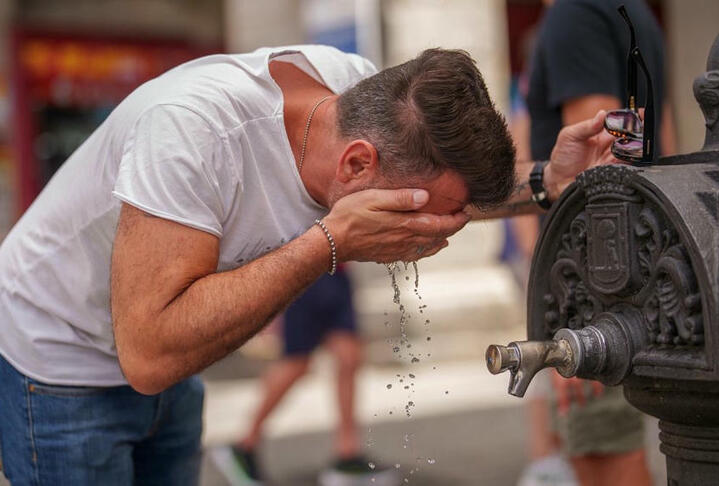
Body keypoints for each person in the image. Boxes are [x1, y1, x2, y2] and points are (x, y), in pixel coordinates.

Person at [0, 44, 616, 485]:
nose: (432, 232)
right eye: (414, 214)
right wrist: (330, 243)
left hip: (172, 354)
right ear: (355, 165)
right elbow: (150, 353)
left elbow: (443, 192)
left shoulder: (359, 95)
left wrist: (545, 180)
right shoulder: (193, 134)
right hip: (59, 361)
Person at [525, 1, 675, 485]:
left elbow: (601, 161)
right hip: (638, 266)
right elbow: (656, 144)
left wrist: (582, 316)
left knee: (607, 458)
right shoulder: (631, 11)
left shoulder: (576, 13)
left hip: (600, 283)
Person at [223, 266, 378, 484]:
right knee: (296, 363)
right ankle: (245, 444)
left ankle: (348, 453)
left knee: (349, 356)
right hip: (305, 271)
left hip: (338, 269)